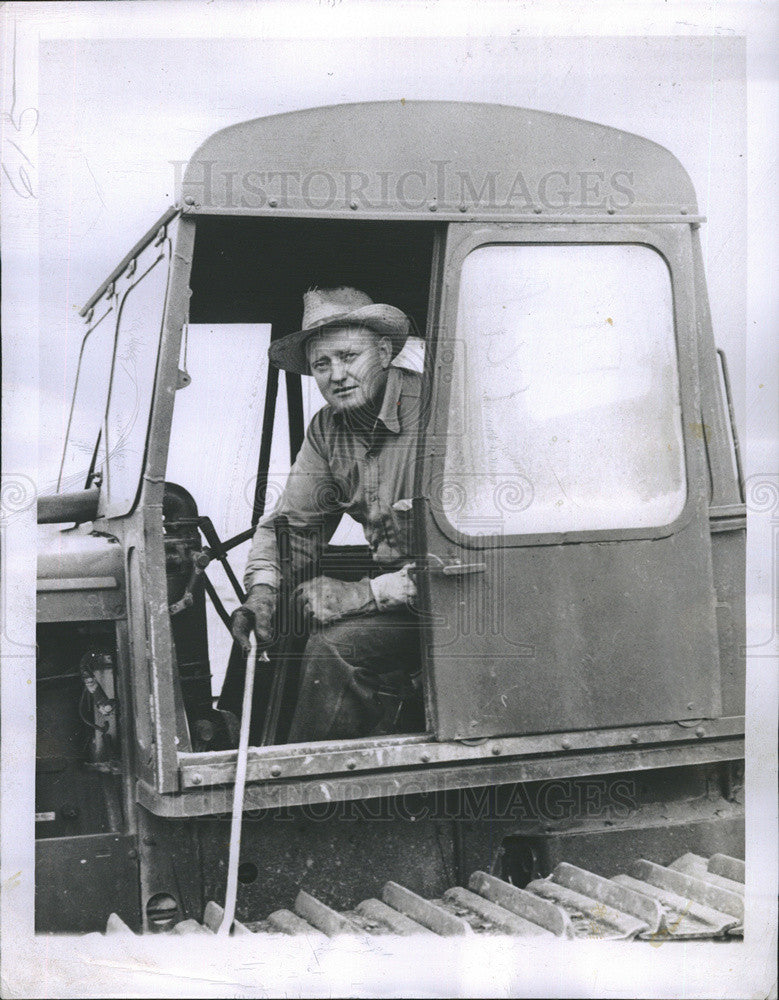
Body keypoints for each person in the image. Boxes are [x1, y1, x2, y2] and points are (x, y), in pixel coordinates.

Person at [230, 286, 424, 742]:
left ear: (382, 352)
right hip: (401, 593)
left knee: (335, 647)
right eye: (322, 364)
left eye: (348, 356)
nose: (336, 375)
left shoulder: (438, 414)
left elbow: (470, 558)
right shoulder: (327, 429)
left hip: (453, 599)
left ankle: (309, 804)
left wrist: (364, 595)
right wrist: (261, 594)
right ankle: (249, 753)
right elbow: (291, 528)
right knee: (282, 618)